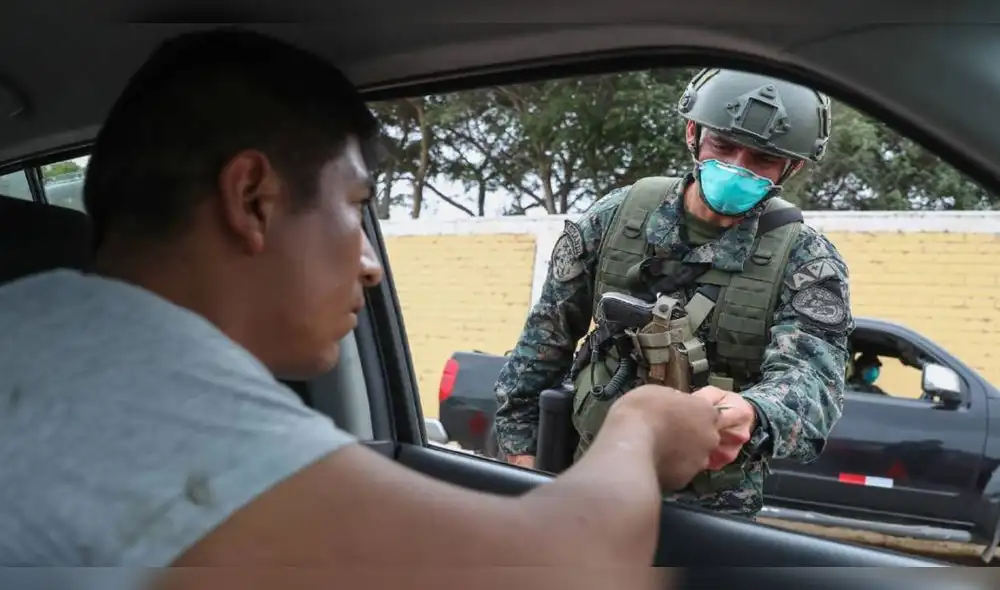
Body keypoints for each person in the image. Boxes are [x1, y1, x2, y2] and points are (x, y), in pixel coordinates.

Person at [0, 27, 732, 585]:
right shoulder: (128, 377)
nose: (371, 264)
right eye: (355, 207)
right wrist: (640, 428)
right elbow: (559, 569)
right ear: (252, 199)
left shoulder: (43, 340)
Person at [494, 68, 855, 519]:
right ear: (693, 132)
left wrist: (755, 414)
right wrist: (521, 459)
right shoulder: (616, 217)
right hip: (586, 476)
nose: (737, 167)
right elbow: (542, 346)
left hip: (713, 507)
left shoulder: (807, 260)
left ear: (792, 166)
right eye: (723, 146)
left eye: (762, 158)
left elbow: (813, 383)